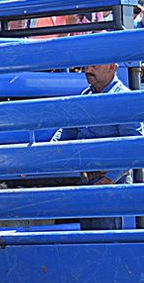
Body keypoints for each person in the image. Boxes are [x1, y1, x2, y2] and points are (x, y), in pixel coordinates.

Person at [51, 63, 144, 230]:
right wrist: (42, 155)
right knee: (91, 239)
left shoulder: (123, 99)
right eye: (86, 66)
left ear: (112, 68)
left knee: (103, 240)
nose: (88, 70)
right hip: (89, 181)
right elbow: (67, 132)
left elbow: (134, 145)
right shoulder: (85, 96)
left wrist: (108, 179)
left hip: (110, 185)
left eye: (94, 66)